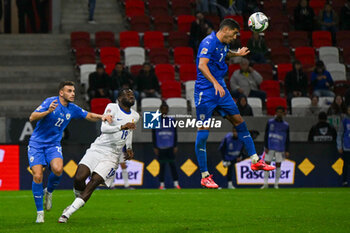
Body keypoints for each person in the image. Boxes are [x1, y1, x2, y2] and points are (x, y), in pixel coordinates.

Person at [194, 18, 275, 189]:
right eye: (235, 33)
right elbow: (202, 65)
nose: (236, 37)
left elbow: (224, 53)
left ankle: (255, 160)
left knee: (239, 121)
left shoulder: (223, 44)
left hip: (220, 90)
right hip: (205, 92)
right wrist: (215, 83)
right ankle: (204, 176)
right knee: (203, 132)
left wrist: (236, 54)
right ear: (226, 30)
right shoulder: (208, 41)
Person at [28, 81, 112, 223]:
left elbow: (88, 115)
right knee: (37, 176)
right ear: (61, 93)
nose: (73, 93)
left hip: (53, 145)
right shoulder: (50, 102)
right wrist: (48, 111)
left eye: (73, 91)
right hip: (36, 144)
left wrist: (101, 116)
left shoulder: (72, 108)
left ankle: (48, 192)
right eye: (69, 91)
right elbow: (32, 117)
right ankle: (40, 214)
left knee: (58, 170)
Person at [58, 89, 139, 223]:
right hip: (98, 148)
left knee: (94, 182)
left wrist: (129, 147)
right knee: (79, 178)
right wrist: (122, 126)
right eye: (127, 94)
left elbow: (130, 131)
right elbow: (104, 129)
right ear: (119, 98)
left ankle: (67, 213)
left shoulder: (135, 116)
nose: (131, 96)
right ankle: (78, 201)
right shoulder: (112, 107)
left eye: (132, 94)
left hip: (113, 154)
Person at [152, 103, 180, 190]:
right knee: (162, 166)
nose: (164, 111)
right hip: (160, 146)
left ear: (167, 110)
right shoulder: (155, 120)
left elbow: (175, 133)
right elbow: (153, 134)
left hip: (170, 146)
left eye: (165, 109)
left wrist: (175, 145)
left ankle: (176, 184)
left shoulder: (172, 120)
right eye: (162, 109)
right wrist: (155, 146)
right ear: (160, 110)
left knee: (173, 165)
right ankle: (162, 184)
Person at [262, 106, 290, 189]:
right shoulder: (270, 122)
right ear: (276, 113)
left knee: (278, 165)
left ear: (284, 113)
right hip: (270, 146)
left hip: (280, 148)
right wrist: (266, 146)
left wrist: (287, 149)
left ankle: (276, 184)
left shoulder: (286, 125)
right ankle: (265, 183)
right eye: (278, 112)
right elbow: (266, 134)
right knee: (267, 164)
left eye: (281, 112)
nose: (279, 114)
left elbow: (287, 138)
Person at [337, 105, 350, 187]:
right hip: (347, 146)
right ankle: (344, 181)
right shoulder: (345, 121)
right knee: (345, 165)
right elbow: (340, 133)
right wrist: (339, 146)